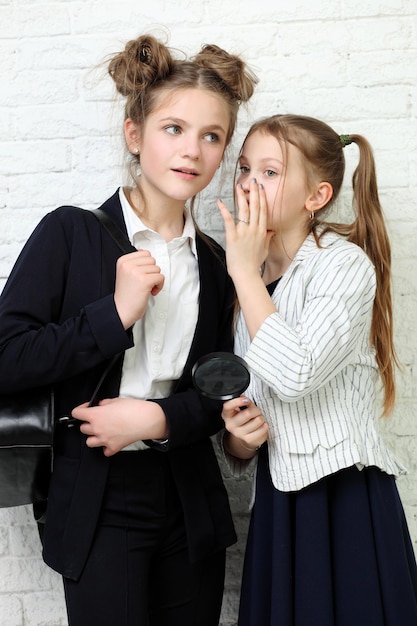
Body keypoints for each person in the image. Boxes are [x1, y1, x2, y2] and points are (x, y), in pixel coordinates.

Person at [0, 34, 257, 625]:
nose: (192, 150)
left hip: (190, 503)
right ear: (134, 133)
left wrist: (159, 419)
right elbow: (7, 357)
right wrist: (111, 315)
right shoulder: (68, 233)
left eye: (211, 136)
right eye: (173, 128)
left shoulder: (218, 265)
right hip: (97, 500)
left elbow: (219, 391)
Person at [216, 114, 417, 625]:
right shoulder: (252, 281)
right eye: (244, 168)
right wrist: (240, 437)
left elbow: (297, 373)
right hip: (280, 504)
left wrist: (241, 271)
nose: (248, 184)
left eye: (270, 172)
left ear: (317, 196)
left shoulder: (344, 266)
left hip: (341, 500)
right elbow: (257, 406)